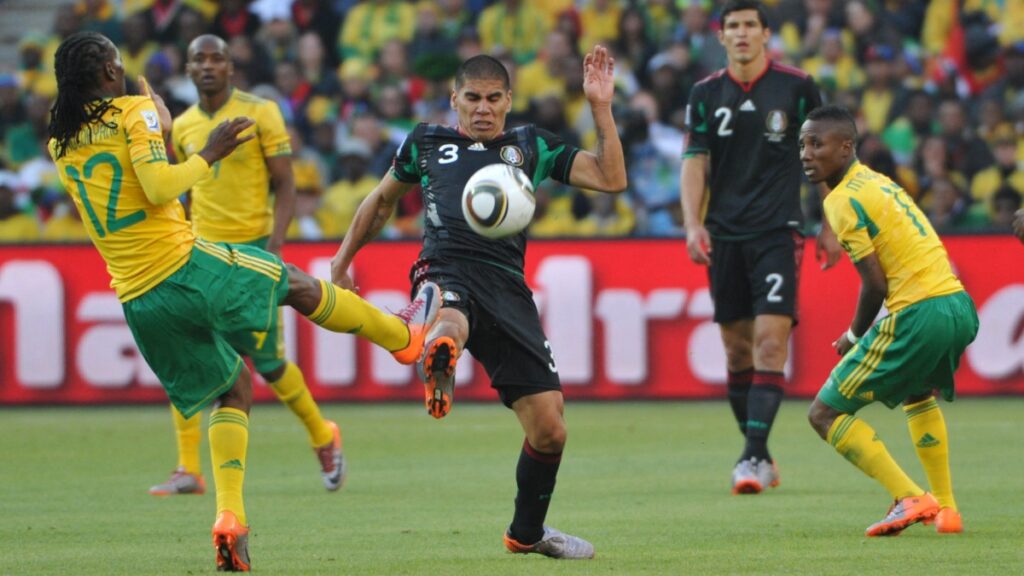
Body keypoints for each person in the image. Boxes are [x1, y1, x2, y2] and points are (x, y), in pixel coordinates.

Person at [47, 31, 440, 571]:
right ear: (112, 72)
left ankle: (229, 519)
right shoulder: (134, 111)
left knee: (234, 388)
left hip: (138, 298)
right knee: (296, 285)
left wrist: (159, 129)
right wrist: (206, 151)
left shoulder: (62, 140)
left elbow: (130, 180)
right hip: (184, 267)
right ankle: (405, 340)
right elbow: (159, 188)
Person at [330, 47, 626, 559]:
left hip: (507, 286)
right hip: (444, 265)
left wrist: (600, 107)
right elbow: (381, 201)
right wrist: (341, 261)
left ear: (509, 100)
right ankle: (438, 347)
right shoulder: (426, 142)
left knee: (550, 429)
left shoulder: (531, 146)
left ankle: (526, 533)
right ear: (454, 100)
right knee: (451, 313)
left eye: (492, 98)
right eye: (472, 98)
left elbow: (610, 178)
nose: (483, 108)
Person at [145, 34, 345, 498]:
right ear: (188, 70)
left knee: (269, 363)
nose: (208, 66)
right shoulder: (184, 125)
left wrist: (274, 246)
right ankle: (187, 469)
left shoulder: (261, 112)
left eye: (217, 58)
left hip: (253, 250)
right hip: (201, 253)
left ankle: (323, 435)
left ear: (231, 67)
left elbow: (285, 183)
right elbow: (184, 190)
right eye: (199, 59)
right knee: (187, 352)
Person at [679, 0, 840, 495]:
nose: (743, 33)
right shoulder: (705, 93)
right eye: (734, 26)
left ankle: (750, 457)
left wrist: (831, 222)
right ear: (722, 36)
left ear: (767, 34)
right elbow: (694, 161)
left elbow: (823, 159)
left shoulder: (798, 87)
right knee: (736, 351)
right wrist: (692, 223)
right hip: (724, 233)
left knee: (771, 341)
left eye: (751, 24)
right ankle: (761, 453)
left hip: (778, 230)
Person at [800, 104, 979, 537]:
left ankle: (909, 497)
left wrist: (853, 334)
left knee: (823, 413)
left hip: (920, 311)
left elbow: (875, 284)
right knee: (918, 393)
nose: (806, 154)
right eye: (802, 145)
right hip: (957, 305)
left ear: (846, 147)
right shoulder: (879, 182)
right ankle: (947, 511)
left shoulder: (841, 199)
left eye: (816, 144)